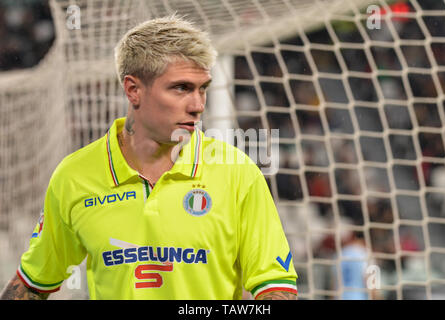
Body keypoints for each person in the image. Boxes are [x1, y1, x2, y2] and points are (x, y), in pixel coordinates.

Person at [0, 15, 298, 300]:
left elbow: (275, 287)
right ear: (133, 90)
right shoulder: (74, 176)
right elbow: (33, 283)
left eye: (202, 90)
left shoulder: (237, 174)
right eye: (181, 88)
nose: (197, 105)